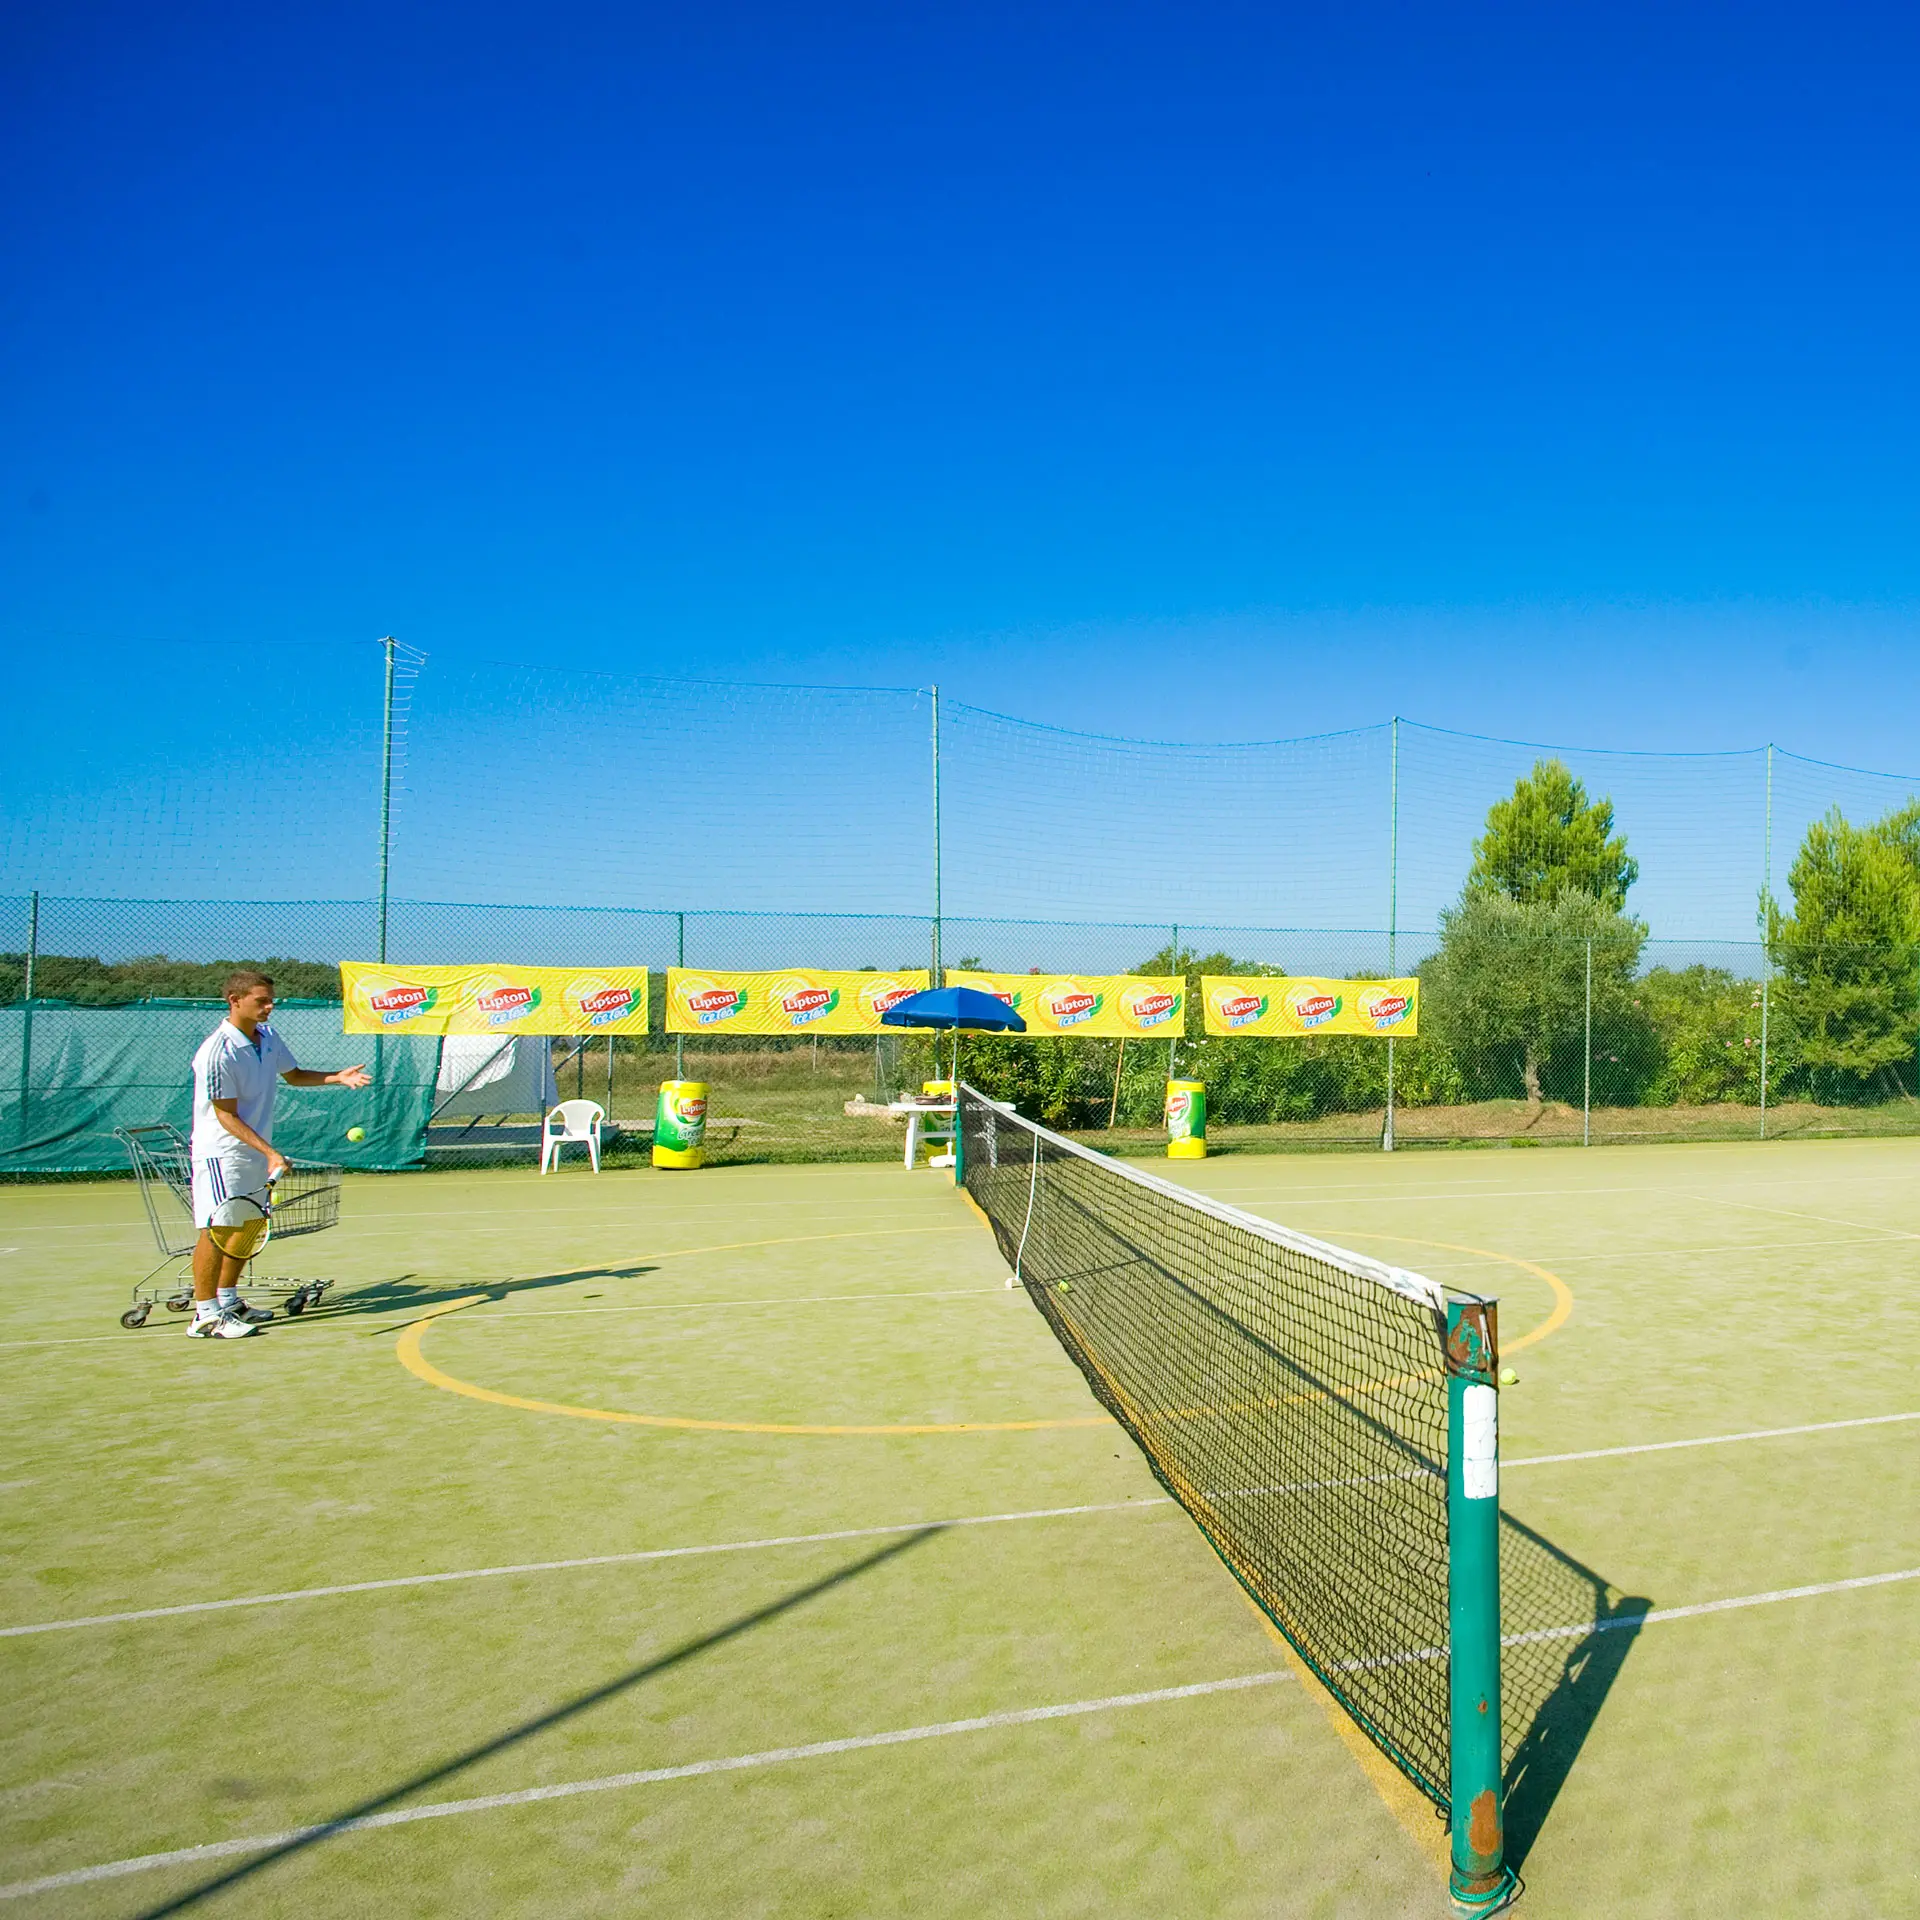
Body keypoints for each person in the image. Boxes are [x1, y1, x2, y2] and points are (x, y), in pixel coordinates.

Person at [188, 970, 371, 1338]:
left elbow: (294, 1075)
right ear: (234, 1001)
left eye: (272, 1000)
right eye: (262, 1001)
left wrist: (337, 1077)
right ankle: (205, 1315)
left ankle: (228, 1300)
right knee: (217, 1230)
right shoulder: (216, 1052)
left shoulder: (268, 1037)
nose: (270, 1007)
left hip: (255, 1153)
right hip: (222, 1155)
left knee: (249, 1227)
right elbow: (225, 1114)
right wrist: (271, 1152)